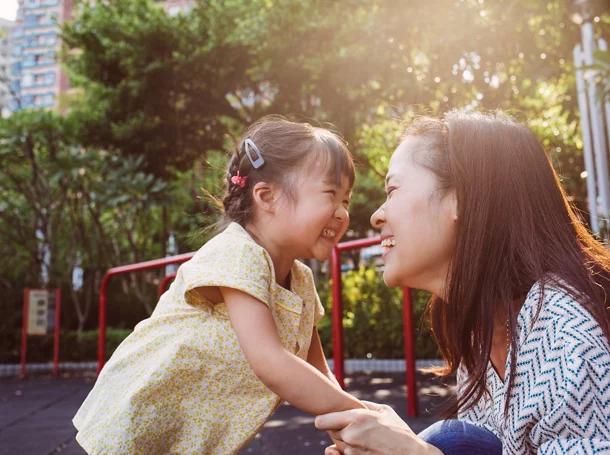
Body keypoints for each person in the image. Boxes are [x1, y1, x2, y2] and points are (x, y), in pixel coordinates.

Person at [315, 109, 610, 455]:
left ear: (461, 198)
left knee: (444, 441)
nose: (377, 215)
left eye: (392, 189)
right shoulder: (481, 327)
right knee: (452, 439)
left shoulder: (566, 332)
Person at [73, 116, 365, 454]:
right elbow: (271, 362)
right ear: (266, 197)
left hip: (194, 438)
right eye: (331, 193)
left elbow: (317, 371)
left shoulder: (300, 280)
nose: (343, 212)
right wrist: (362, 415)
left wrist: (353, 431)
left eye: (346, 199)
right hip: (140, 420)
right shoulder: (238, 252)